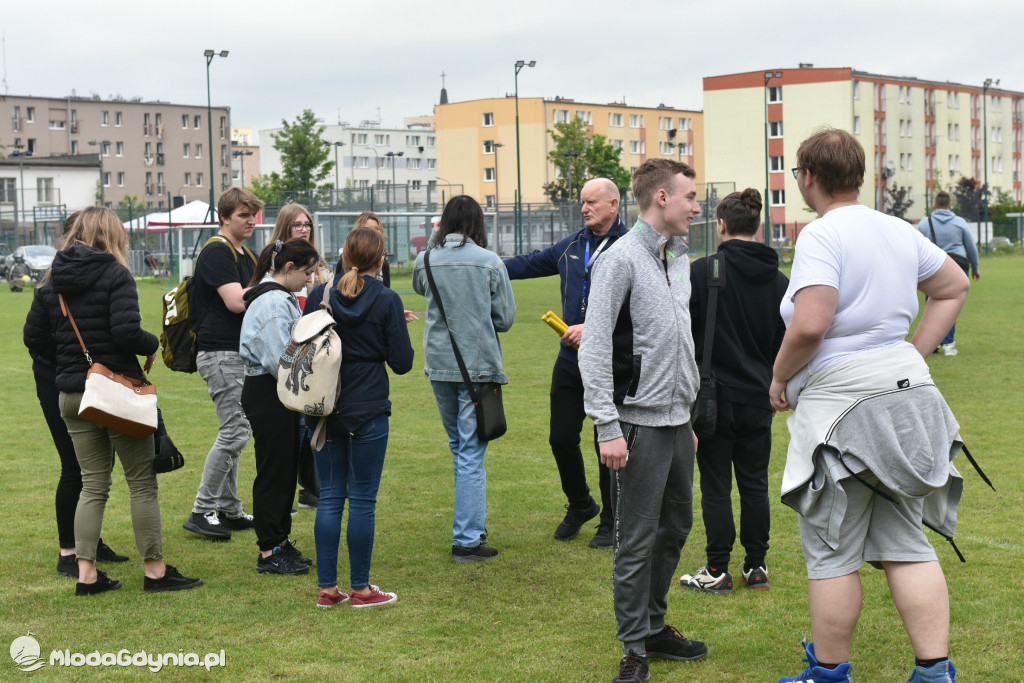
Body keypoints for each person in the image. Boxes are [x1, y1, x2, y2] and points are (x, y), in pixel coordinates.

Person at [772, 129, 969, 683]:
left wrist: (778, 378)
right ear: (857, 174)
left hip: (843, 408)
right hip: (908, 395)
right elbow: (952, 287)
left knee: (833, 548)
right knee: (907, 540)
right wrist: (910, 353)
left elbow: (811, 322)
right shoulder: (897, 230)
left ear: (808, 177)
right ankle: (934, 673)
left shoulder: (821, 234)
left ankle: (828, 674)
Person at [580, 159, 708, 683]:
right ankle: (634, 647)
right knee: (636, 537)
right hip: (636, 424)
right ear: (661, 197)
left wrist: (688, 415)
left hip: (678, 422)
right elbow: (592, 346)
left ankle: (654, 626)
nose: (697, 207)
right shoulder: (620, 259)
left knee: (677, 525)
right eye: (690, 197)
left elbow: (678, 343)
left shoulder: (677, 257)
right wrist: (607, 426)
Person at [36, 207, 202, 595]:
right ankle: (156, 572)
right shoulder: (116, 273)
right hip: (114, 392)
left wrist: (68, 361)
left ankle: (86, 576)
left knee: (93, 486)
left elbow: (35, 338)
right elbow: (126, 330)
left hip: (71, 394)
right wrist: (151, 345)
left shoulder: (52, 280)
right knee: (141, 483)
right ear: (111, 235)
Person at [503, 177, 627, 547]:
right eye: (583, 203)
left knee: (604, 441)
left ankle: (611, 520)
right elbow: (525, 264)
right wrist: (482, 265)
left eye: (592, 203)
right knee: (560, 438)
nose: (585, 208)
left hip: (611, 362)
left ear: (614, 204)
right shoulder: (571, 245)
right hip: (570, 361)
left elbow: (641, 307)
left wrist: (593, 327)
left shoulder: (629, 247)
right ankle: (580, 505)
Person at [679, 189, 788, 594]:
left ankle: (717, 569)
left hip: (713, 399)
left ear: (720, 225)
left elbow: (685, 336)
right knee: (755, 483)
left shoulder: (701, 272)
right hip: (761, 396)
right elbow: (785, 340)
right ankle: (756, 566)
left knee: (716, 486)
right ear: (757, 226)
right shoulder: (780, 281)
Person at [306, 227, 414, 608]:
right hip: (367, 406)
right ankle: (362, 590)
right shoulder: (386, 299)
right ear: (381, 260)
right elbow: (402, 363)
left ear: (345, 256)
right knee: (363, 501)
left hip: (323, 407)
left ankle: (328, 589)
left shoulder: (320, 294)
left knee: (331, 497)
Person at [24, 210, 130, 579]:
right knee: (76, 467)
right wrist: (69, 363)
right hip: (63, 380)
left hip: (79, 377)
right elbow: (34, 337)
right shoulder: (56, 277)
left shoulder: (66, 275)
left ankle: (89, 542)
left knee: (96, 468)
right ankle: (69, 552)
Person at [412, 196, 516, 563]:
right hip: (477, 367)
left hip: (440, 364)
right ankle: (468, 539)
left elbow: (420, 290)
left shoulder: (425, 259)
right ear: (477, 223)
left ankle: (470, 526)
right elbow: (504, 318)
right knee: (471, 451)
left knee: (460, 446)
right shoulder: (489, 262)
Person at [183, 187, 263, 540]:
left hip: (236, 352)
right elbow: (235, 301)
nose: (250, 220)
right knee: (236, 430)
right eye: (243, 215)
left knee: (238, 430)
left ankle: (229, 510)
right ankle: (203, 510)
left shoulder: (245, 253)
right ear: (224, 218)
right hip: (219, 353)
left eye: (253, 214)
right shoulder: (217, 251)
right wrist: (273, 290)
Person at [240, 238, 322, 575]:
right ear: (288, 268)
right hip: (269, 392)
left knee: (286, 470)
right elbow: (282, 360)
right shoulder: (273, 303)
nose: (309, 280)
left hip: (277, 393)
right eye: (307, 272)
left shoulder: (277, 297)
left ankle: (281, 541)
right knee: (274, 472)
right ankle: (269, 550)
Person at [269, 203, 332, 510]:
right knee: (291, 426)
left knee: (311, 421)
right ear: (285, 227)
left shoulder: (320, 266)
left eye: (307, 224)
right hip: (289, 348)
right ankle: (286, 490)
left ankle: (311, 488)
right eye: (297, 224)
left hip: (317, 350)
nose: (304, 228)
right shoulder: (275, 263)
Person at [916, 191, 981, 357]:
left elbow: (916, 247)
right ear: (950, 205)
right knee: (950, 305)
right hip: (957, 265)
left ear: (935, 205)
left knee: (932, 304)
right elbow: (971, 248)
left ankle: (934, 343)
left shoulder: (924, 223)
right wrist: (975, 267)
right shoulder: (960, 223)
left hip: (932, 266)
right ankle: (949, 343)